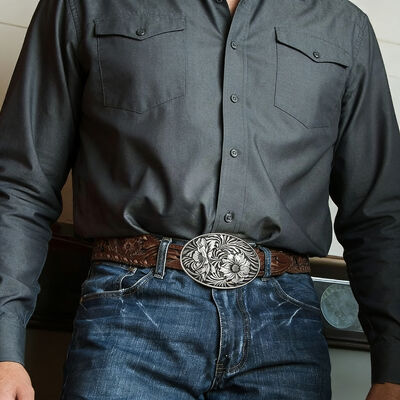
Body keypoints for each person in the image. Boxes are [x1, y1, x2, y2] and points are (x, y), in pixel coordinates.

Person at [0, 0, 399, 398]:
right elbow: (21, 184)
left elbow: (380, 215)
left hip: (286, 331)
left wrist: (393, 371)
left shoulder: (345, 27)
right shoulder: (84, 6)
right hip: (129, 320)